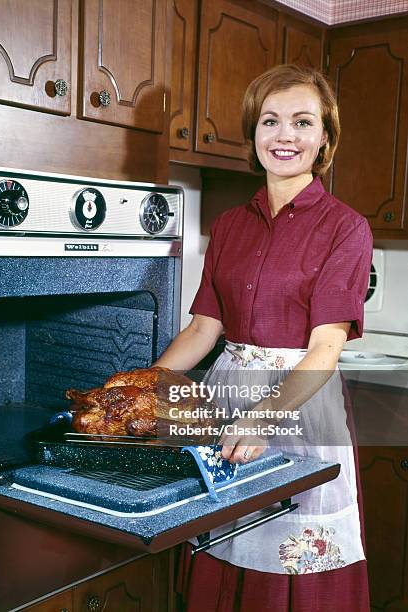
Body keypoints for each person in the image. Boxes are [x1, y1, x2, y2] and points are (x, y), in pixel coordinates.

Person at [154, 64, 373, 611]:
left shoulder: (346, 227)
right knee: (223, 538)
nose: (285, 136)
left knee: (291, 554)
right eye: (270, 121)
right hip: (227, 398)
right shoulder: (228, 225)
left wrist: (263, 415)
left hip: (298, 404)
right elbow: (204, 329)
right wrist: (145, 385)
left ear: (325, 137)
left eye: (303, 122)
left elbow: (325, 348)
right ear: (254, 134)